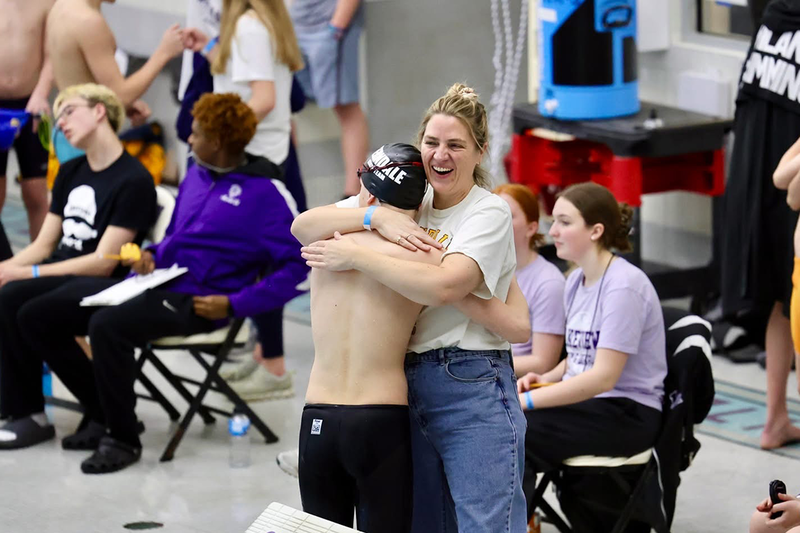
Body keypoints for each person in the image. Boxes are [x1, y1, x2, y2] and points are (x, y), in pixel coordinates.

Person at [11, 93, 308, 475]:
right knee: (36, 315)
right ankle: (101, 411)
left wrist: (237, 303)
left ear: (218, 142)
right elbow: (176, 238)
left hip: (202, 302)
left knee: (106, 326)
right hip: (153, 282)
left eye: (196, 134)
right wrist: (151, 254)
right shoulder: (197, 174)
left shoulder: (267, 195)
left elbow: (300, 268)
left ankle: (122, 439)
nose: (188, 139)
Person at [295, 83, 529, 533]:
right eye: (432, 142)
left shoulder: (488, 212)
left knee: (484, 524)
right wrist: (374, 217)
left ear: (480, 152)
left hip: (468, 380)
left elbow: (448, 286)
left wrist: (357, 254)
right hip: (407, 381)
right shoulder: (405, 200)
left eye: (456, 145)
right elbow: (303, 225)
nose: (441, 154)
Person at [0, 83, 156, 432]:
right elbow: (43, 245)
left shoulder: (134, 179)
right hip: (62, 273)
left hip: (102, 282)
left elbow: (104, 262)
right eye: (58, 118)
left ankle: (90, 408)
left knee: (21, 305)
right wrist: (7, 269)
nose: (61, 124)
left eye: (68, 111)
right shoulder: (71, 172)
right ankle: (24, 411)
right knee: (9, 293)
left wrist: (29, 274)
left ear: (100, 111)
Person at [517, 183, 666, 528]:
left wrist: (528, 401)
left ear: (596, 231)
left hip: (626, 413)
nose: (552, 231)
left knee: (513, 431)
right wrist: (546, 378)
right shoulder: (575, 281)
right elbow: (581, 355)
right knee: (502, 425)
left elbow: (603, 377)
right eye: (553, 221)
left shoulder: (624, 285)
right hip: (591, 405)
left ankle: (515, 522)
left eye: (564, 222)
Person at [181, 0, 306, 401]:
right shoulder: (262, 22)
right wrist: (210, 48)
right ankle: (264, 353)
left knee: (260, 262)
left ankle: (274, 366)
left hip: (251, 158)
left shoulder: (250, 27)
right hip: (265, 153)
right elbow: (246, 80)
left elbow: (263, 98)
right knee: (261, 259)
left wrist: (217, 136)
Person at [720, 0, 800, 450]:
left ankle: (775, 419)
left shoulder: (771, 19)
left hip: (753, 176)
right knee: (794, 297)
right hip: (791, 184)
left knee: (779, 299)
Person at [45, 0, 186, 165]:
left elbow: (75, 77)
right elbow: (121, 96)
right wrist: (164, 53)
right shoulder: (89, 22)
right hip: (86, 140)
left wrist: (111, 103)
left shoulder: (61, 7)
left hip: (65, 134)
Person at [290, 0, 369, 196]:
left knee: (346, 107)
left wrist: (336, 28)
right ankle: (286, 185)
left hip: (329, 28)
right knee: (285, 106)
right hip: (296, 28)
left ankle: (353, 192)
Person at [493, 183, 565, 375]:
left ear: (531, 228)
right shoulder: (479, 269)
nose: (496, 222)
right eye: (492, 214)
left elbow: (543, 362)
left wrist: (480, 367)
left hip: (512, 381)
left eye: (507, 215)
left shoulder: (549, 282)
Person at [0, 0, 54, 243]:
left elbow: (53, 53)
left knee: (36, 194)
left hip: (33, 107)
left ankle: (40, 259)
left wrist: (41, 93)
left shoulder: (48, 2)